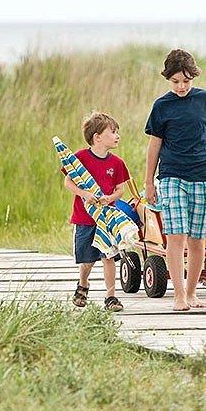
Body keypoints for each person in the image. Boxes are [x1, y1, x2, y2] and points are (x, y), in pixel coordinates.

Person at [144, 49, 206, 311]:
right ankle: (178, 296)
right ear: (168, 78)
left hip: (202, 176)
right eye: (176, 81)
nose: (181, 86)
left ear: (194, 77)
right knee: (176, 235)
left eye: (187, 81)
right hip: (171, 177)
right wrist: (148, 183)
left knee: (197, 239)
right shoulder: (161, 106)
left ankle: (192, 294)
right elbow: (154, 147)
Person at [63, 112, 130, 312]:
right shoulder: (80, 158)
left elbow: (120, 189)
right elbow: (68, 181)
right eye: (113, 132)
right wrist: (84, 194)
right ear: (97, 137)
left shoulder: (117, 163)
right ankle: (83, 283)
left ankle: (111, 296)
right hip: (85, 219)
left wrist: (110, 198)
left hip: (107, 219)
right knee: (87, 260)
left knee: (108, 255)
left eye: (117, 132)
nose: (117, 136)